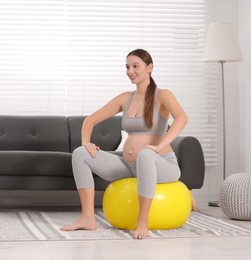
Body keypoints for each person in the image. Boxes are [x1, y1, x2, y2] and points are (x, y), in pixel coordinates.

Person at [60, 49, 188, 239]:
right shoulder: (125, 98)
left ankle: (142, 222)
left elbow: (182, 119)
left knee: (145, 154)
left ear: (149, 67)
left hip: (162, 164)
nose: (130, 71)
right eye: (127, 67)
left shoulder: (163, 95)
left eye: (136, 66)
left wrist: (159, 147)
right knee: (80, 153)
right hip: (130, 166)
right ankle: (88, 218)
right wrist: (87, 142)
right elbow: (90, 120)